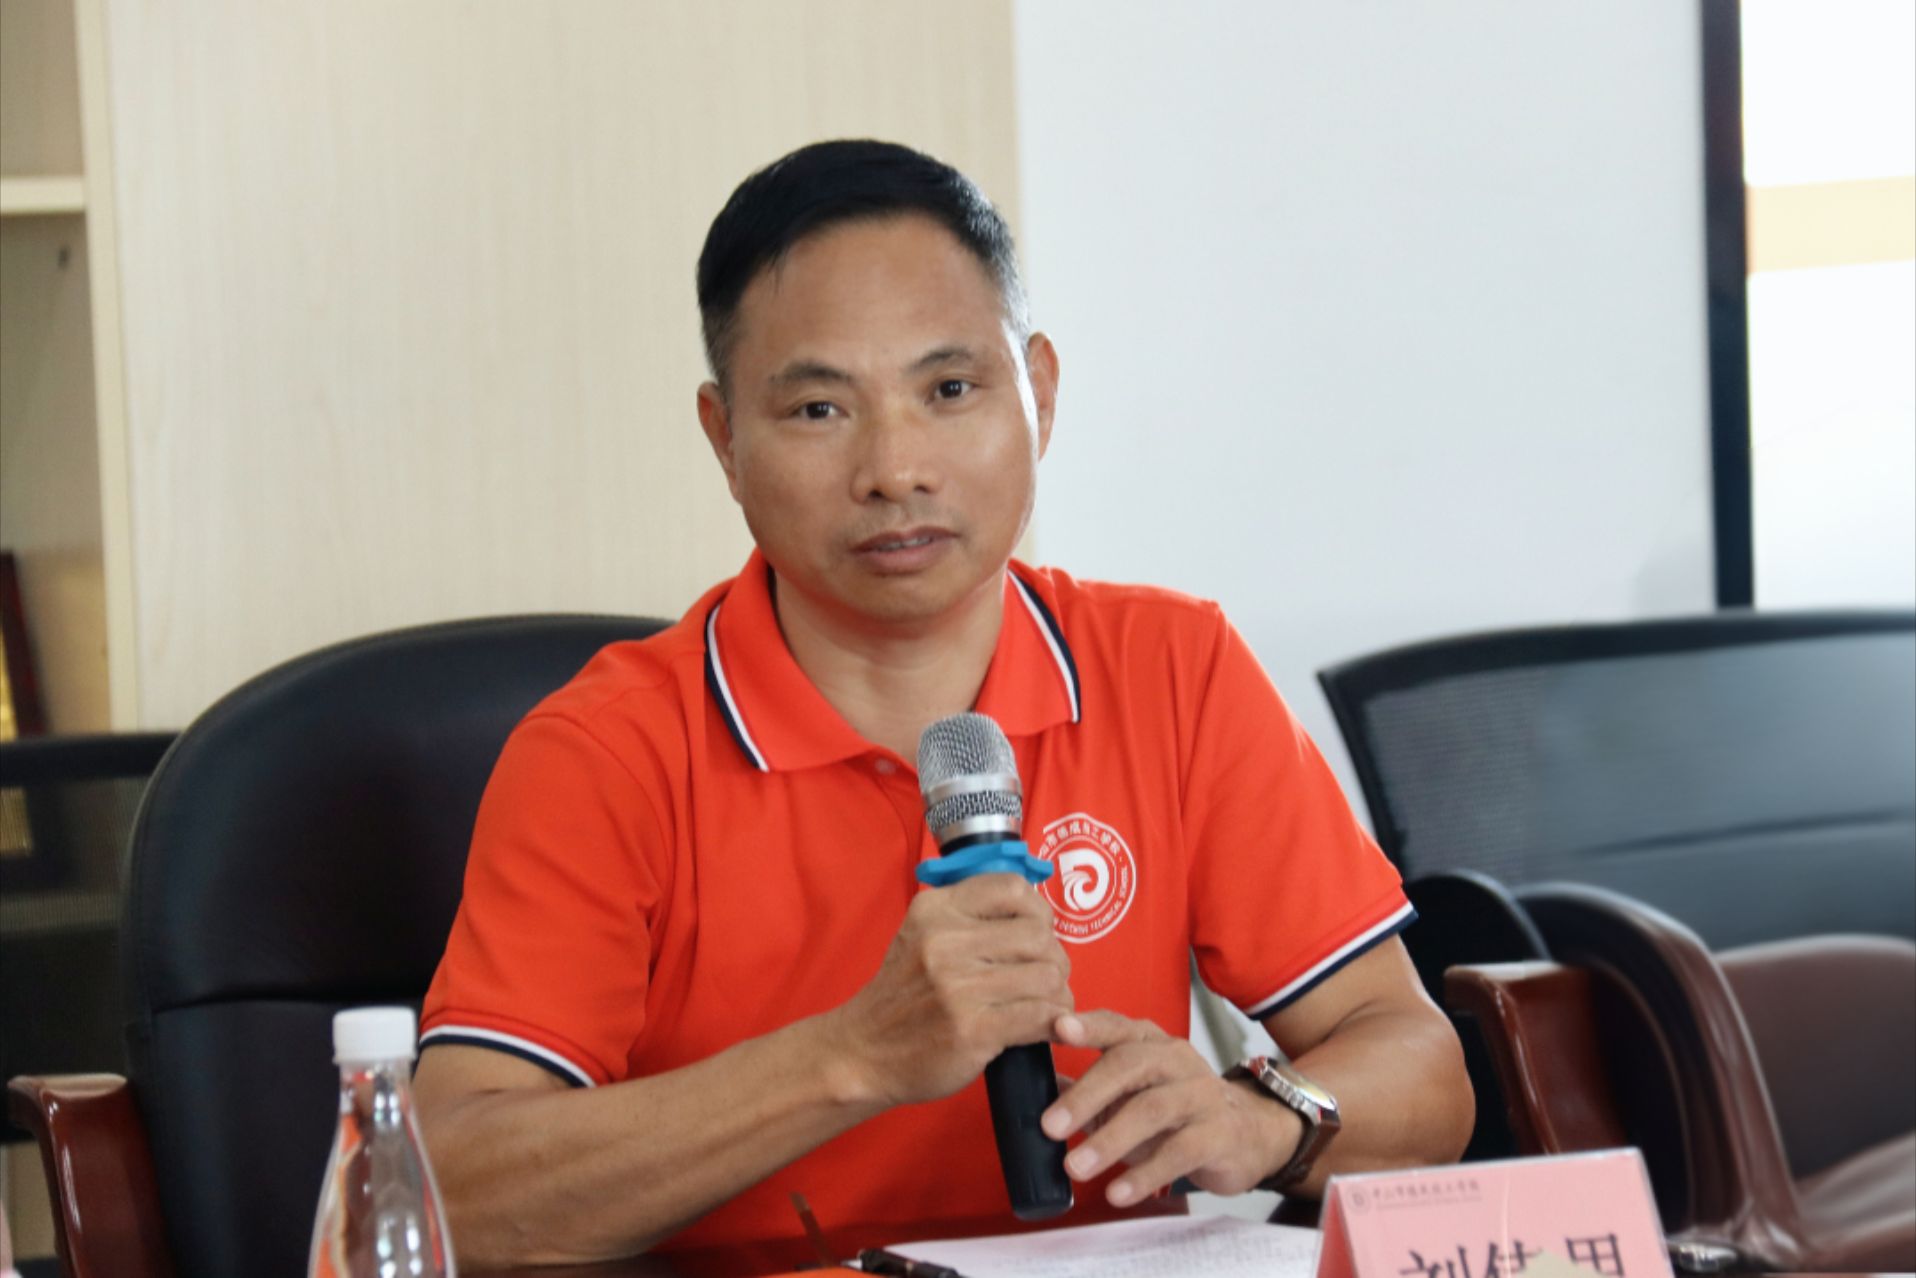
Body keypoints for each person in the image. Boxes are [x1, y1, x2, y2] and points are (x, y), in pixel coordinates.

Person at [414, 139, 1472, 1266]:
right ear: (724, 440)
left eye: (950, 390)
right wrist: (850, 1058)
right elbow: (451, 1191)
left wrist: (1260, 1119)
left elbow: (1421, 1070)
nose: (896, 469)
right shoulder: (605, 752)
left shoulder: (1174, 669)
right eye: (818, 409)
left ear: (1040, 395)